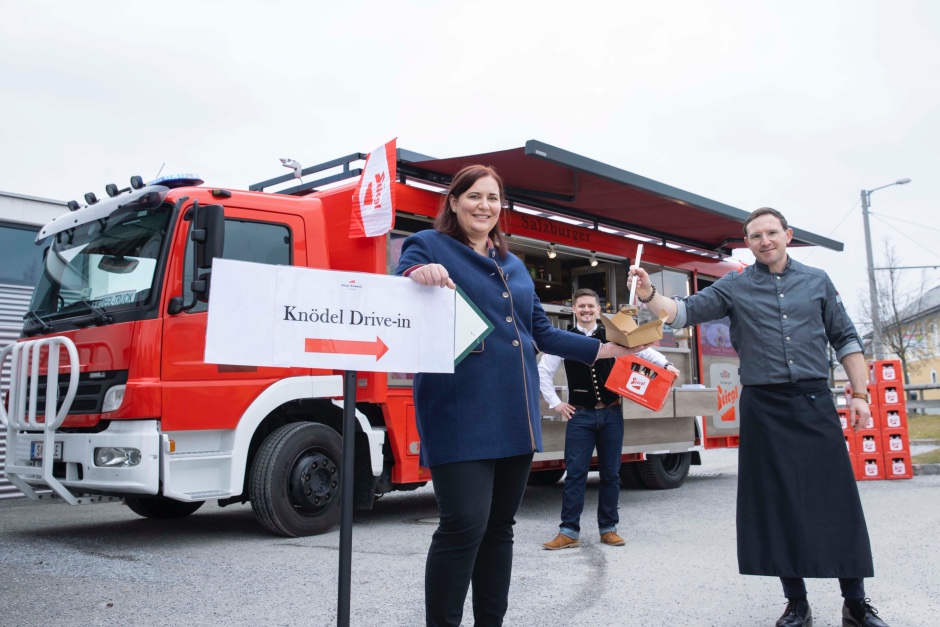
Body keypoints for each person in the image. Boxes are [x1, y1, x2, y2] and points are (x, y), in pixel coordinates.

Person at [396, 165, 650, 627]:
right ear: (453, 202)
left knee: (499, 529)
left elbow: (540, 332)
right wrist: (419, 272)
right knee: (463, 526)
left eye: (493, 198)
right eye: (473, 196)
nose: (484, 206)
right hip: (458, 409)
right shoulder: (429, 246)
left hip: (514, 413)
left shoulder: (512, 265)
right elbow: (403, 279)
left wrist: (604, 348)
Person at [629, 208, 890, 627]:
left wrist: (859, 394)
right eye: (755, 236)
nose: (764, 240)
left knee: (836, 500)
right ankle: (797, 603)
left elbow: (846, 338)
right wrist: (646, 294)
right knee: (776, 504)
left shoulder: (817, 281)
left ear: (787, 235)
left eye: (771, 233)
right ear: (746, 243)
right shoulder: (734, 285)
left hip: (813, 401)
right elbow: (683, 311)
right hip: (764, 407)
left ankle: (855, 603)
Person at [539, 287, 681, 550]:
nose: (586, 310)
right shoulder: (564, 339)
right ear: (574, 309)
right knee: (575, 475)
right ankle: (568, 531)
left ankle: (608, 529)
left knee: (611, 474)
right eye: (581, 306)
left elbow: (642, 351)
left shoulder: (612, 335)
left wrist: (666, 365)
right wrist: (556, 404)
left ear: (598, 310)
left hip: (612, 413)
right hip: (580, 416)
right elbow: (542, 371)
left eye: (591, 306)